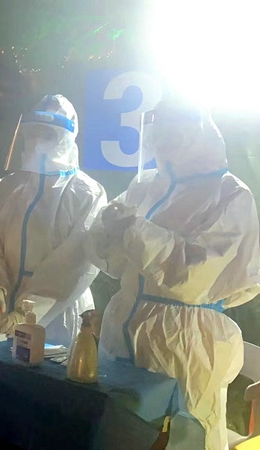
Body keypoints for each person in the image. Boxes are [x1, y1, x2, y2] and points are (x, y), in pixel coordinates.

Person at [87, 98, 260, 450]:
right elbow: (111, 260)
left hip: (185, 341)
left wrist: (133, 230)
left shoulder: (229, 194)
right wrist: (107, 229)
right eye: (159, 129)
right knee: (118, 432)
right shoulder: (146, 184)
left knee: (183, 435)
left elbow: (191, 275)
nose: (163, 138)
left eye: (173, 129)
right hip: (124, 328)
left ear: (198, 130)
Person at [0, 94, 107, 347]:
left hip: (59, 316)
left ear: (66, 138)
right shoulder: (3, 189)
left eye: (47, 134)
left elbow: (74, 264)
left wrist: (28, 311)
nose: (37, 141)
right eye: (33, 133)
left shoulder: (88, 194)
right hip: (2, 313)